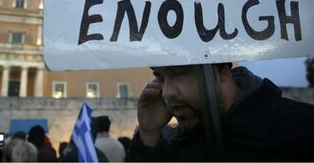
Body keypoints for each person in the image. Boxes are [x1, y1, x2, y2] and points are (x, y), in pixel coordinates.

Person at [127, 63, 314, 161]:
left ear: (222, 73)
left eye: (178, 73)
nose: (167, 92)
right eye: (160, 78)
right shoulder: (174, 143)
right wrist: (148, 135)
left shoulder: (302, 129)